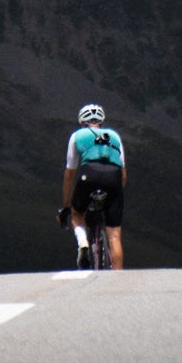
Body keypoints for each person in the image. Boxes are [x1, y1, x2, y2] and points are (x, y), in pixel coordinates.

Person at [59, 103, 126, 270]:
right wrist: (115, 194)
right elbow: (123, 174)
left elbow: (69, 173)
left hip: (88, 174)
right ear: (101, 122)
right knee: (114, 235)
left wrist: (66, 206)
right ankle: (119, 281)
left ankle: (83, 244)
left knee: (77, 213)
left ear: (82, 122)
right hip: (114, 178)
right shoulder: (115, 136)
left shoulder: (78, 135)